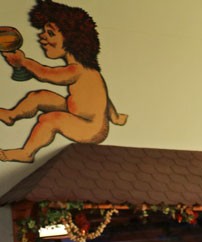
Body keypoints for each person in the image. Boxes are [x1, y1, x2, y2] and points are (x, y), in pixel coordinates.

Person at [0, 0, 127, 163]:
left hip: (90, 129)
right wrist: (115, 118)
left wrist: (24, 62)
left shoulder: (77, 70)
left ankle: (26, 153)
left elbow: (46, 74)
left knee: (50, 119)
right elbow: (103, 99)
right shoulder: (88, 71)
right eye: (44, 31)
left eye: (50, 33)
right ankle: (11, 115)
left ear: (72, 40)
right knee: (39, 96)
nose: (42, 37)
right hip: (77, 113)